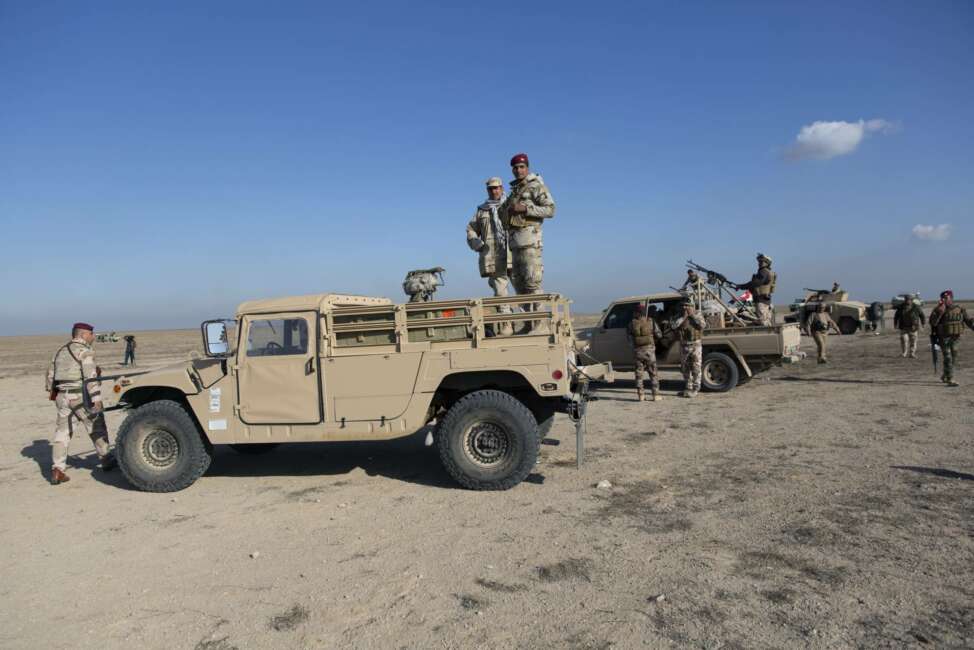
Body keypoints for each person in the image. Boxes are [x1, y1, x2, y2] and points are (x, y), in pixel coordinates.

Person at [44, 322, 116, 485]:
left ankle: (57, 469)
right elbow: (90, 378)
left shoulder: (60, 351)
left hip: (62, 397)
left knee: (62, 434)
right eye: (91, 334)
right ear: (83, 335)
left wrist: (54, 392)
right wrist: (96, 400)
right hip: (81, 397)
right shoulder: (85, 351)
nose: (93, 337)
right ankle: (106, 460)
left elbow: (50, 376)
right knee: (96, 427)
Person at [500, 152, 555, 332]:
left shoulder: (535, 186)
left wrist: (526, 208)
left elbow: (550, 209)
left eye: (521, 167)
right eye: (515, 168)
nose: (518, 170)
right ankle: (527, 322)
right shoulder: (515, 191)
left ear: (527, 168)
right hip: (515, 243)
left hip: (530, 240)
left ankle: (540, 324)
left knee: (533, 283)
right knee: (520, 285)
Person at [466, 177, 513, 336]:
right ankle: (507, 325)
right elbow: (471, 229)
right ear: (488, 190)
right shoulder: (482, 210)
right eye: (491, 189)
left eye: (497, 188)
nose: (494, 191)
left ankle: (532, 323)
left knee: (524, 291)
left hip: (514, 253)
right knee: (500, 292)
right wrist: (475, 242)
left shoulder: (512, 204)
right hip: (493, 256)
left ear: (502, 188)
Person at [929, 290, 974, 387]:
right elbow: (933, 323)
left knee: (953, 357)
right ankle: (950, 379)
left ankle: (945, 375)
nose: (943, 300)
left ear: (951, 298)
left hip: (956, 337)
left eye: (946, 298)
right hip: (943, 337)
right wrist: (939, 312)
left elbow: (967, 320)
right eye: (942, 298)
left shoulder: (960, 308)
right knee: (948, 357)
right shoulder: (938, 309)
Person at [672, 295, 707, 397]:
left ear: (692, 306)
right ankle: (688, 388)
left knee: (696, 367)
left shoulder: (698, 314)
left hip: (696, 345)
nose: (685, 308)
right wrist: (684, 317)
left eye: (687, 305)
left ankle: (696, 388)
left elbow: (703, 325)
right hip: (684, 345)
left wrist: (692, 316)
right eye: (683, 306)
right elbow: (674, 326)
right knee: (685, 368)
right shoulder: (679, 315)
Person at [628, 304, 663, 402]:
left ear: (636, 312)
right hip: (649, 352)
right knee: (653, 373)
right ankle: (656, 395)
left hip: (638, 352)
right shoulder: (651, 321)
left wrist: (635, 348)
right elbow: (659, 334)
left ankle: (641, 396)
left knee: (639, 374)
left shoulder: (632, 323)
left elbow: (629, 339)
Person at [734, 253, 776, 326]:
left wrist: (741, 286)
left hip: (761, 300)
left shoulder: (763, 272)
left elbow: (755, 283)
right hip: (764, 300)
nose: (759, 264)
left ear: (767, 263)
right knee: (765, 321)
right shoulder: (766, 271)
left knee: (763, 322)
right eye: (759, 262)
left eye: (761, 262)